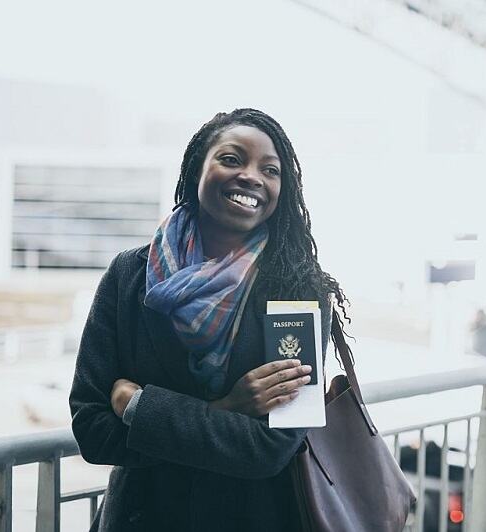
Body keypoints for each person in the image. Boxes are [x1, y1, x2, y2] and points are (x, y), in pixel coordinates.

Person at [68, 108, 351, 532]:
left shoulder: (297, 290)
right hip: (142, 518)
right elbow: (92, 430)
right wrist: (228, 408)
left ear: (282, 189)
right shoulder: (128, 275)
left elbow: (271, 448)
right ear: (197, 169)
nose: (252, 176)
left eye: (269, 170)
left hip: (252, 519)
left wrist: (140, 408)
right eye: (232, 159)